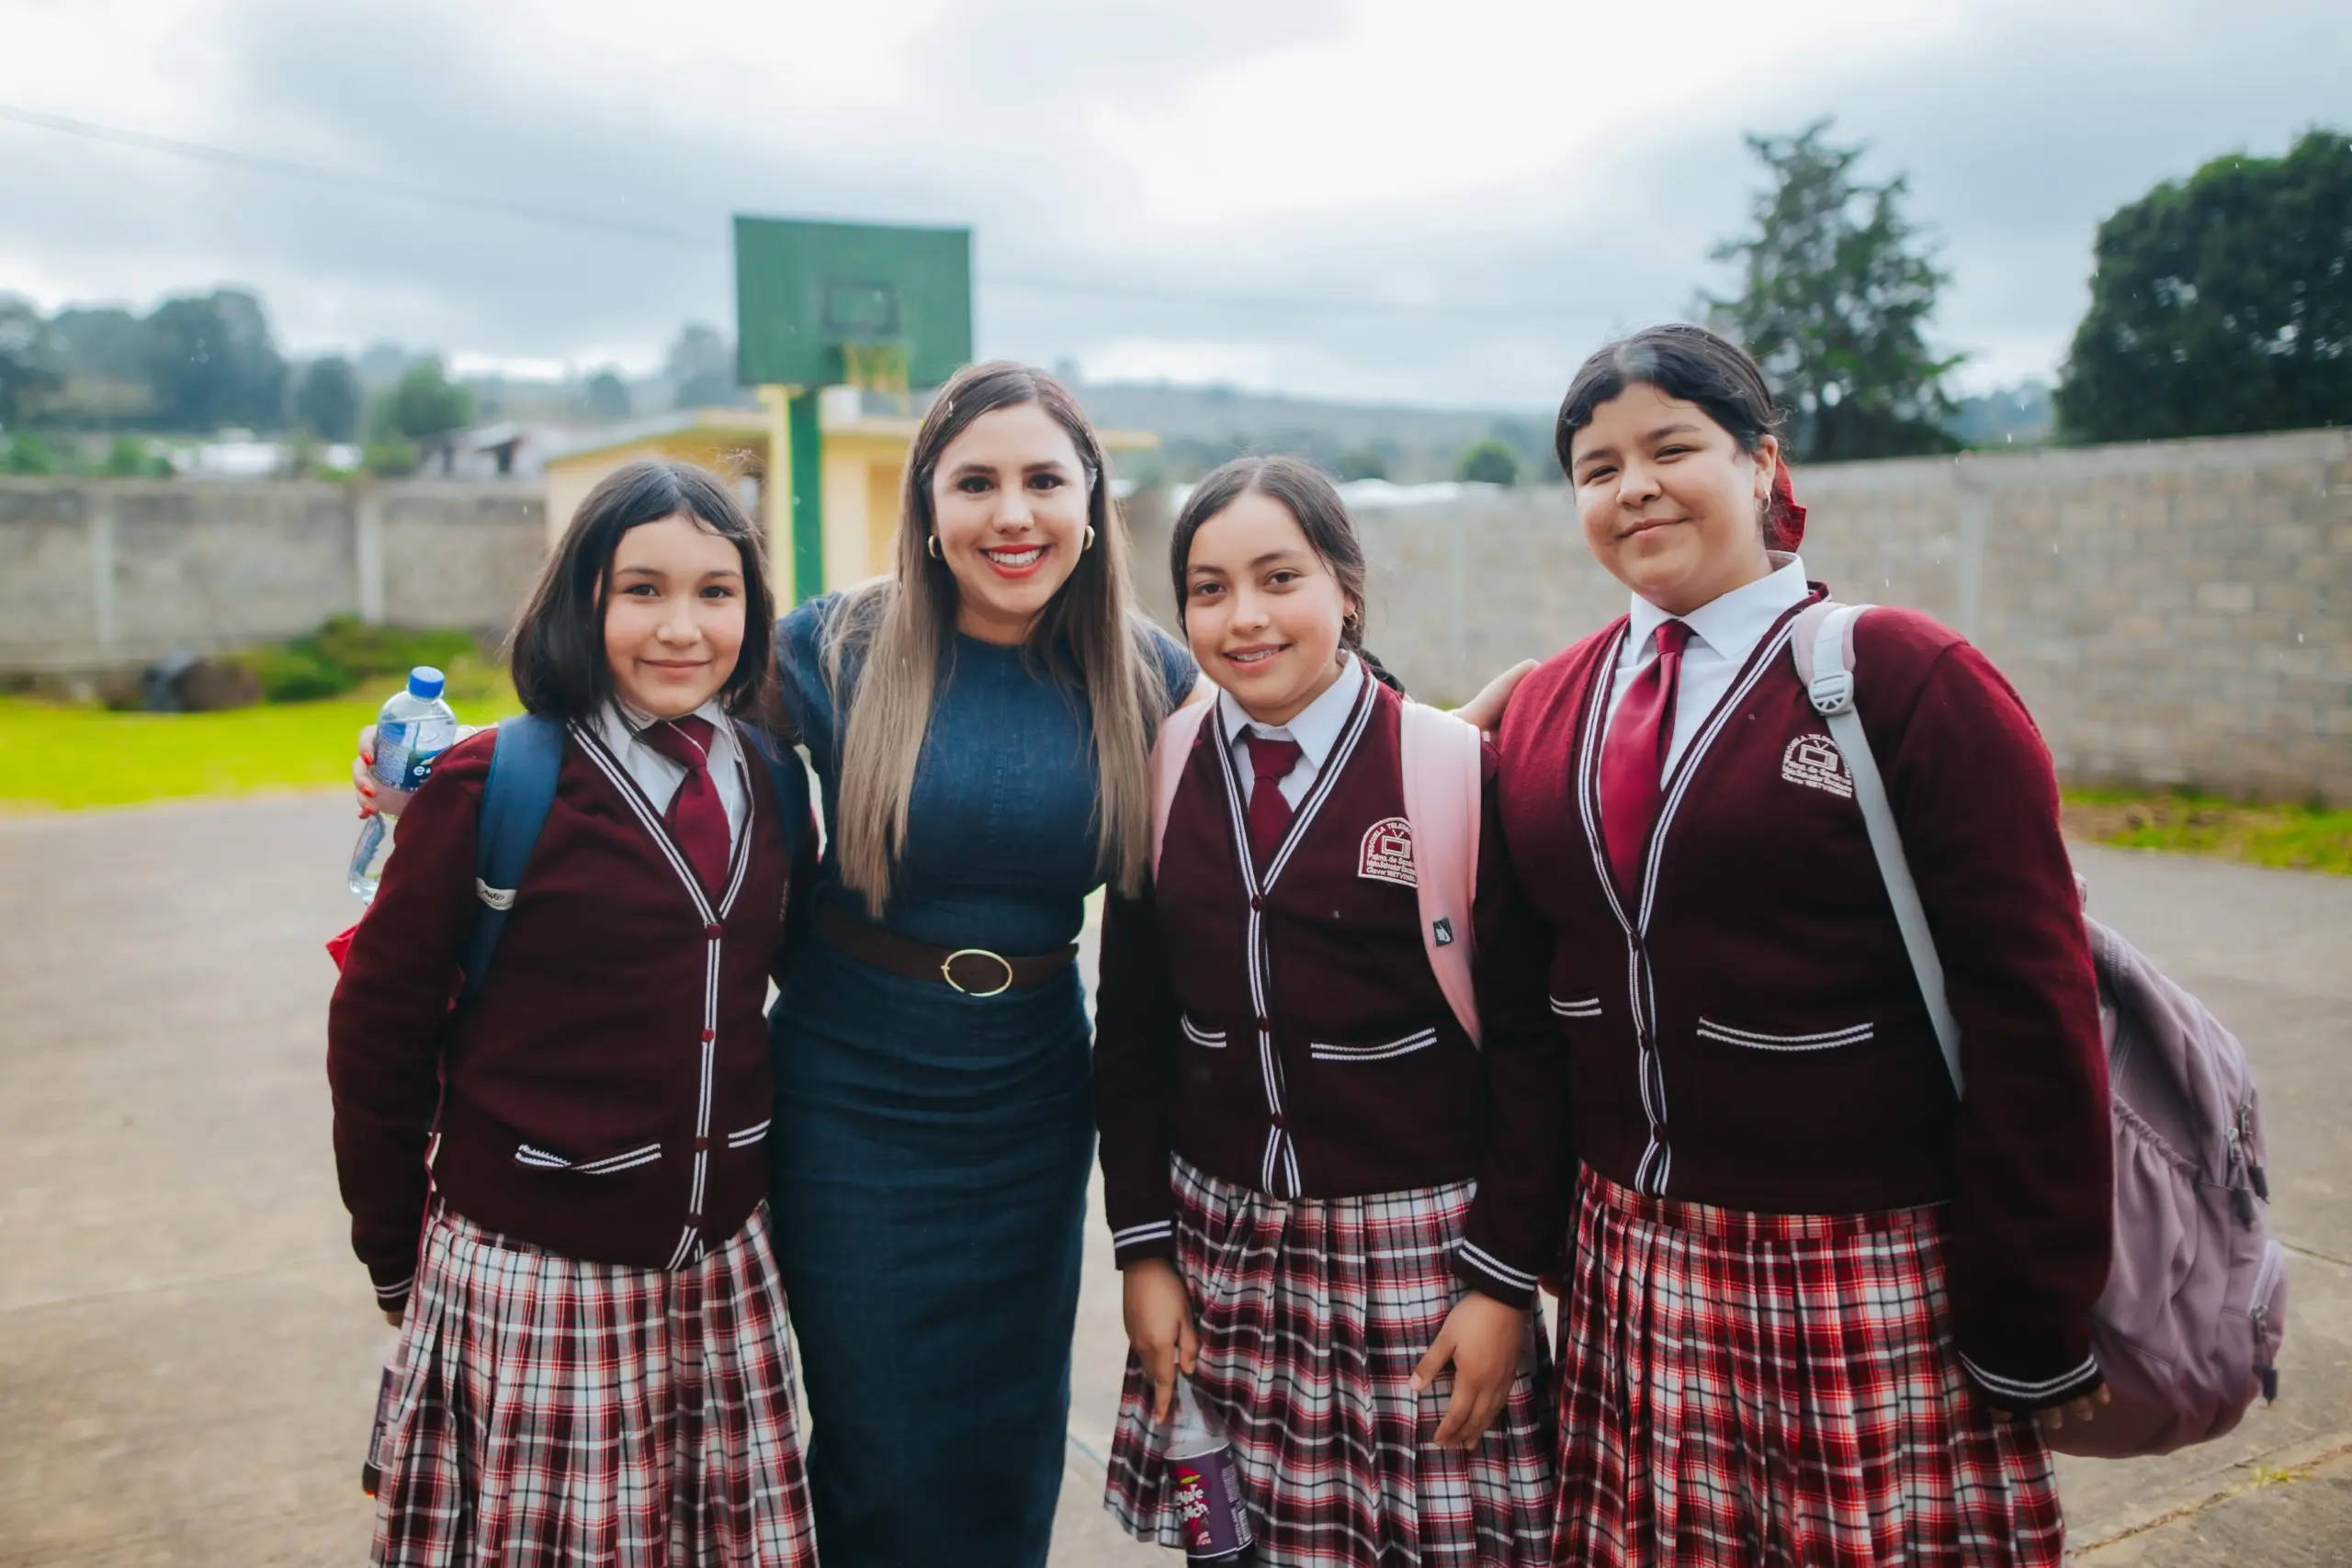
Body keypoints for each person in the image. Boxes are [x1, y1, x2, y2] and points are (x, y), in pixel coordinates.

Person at [1487, 323, 2113, 1565]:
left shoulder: (1902, 676)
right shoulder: (1549, 702)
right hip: (1629, 1259)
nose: (1635, 486)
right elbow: (1523, 1001)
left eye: (1674, 447)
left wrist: (2031, 1307)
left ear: (1764, 462)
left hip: (1863, 1262)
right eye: (1597, 467)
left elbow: (2032, 1004)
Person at [326, 459, 820, 1567]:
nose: (682, 627)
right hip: (537, 1277)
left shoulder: (776, 781)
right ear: (578, 601)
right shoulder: (491, 783)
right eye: (640, 590)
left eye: (716, 591)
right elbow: (378, 1032)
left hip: (722, 1271)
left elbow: (757, 986)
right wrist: (391, 1252)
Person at [765, 362, 1199, 1565]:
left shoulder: (1151, 673)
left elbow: (1305, 753)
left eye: (1044, 479)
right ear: (928, 502)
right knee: (881, 1446)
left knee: (1009, 1441)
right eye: (978, 481)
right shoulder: (835, 644)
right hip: (850, 1095)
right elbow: (647, 723)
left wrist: (1469, 738)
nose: (1014, 514)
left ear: (1092, 497)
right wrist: (451, 771)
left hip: (1029, 1102)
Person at [1093, 456, 1561, 1563]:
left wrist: (1500, 1283)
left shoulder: (1448, 772)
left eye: (1277, 578)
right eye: (1208, 589)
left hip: (1424, 1264)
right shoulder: (1160, 773)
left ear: (1345, 588)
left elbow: (1535, 1057)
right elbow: (1129, 1040)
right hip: (1223, 1260)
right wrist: (1143, 1253)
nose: (1244, 618)